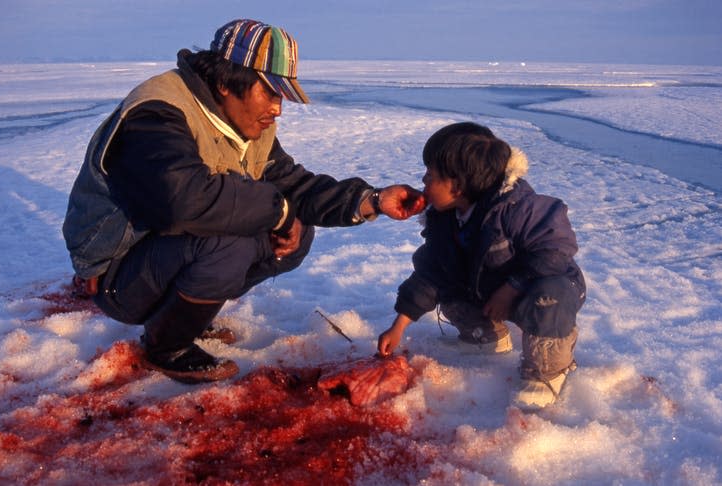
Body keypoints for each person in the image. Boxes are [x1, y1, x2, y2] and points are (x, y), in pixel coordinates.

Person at [62, 19, 424, 384]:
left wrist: (372, 201)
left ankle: (186, 316)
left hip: (163, 257)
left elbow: (291, 185)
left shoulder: (245, 125)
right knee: (229, 241)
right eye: (270, 92)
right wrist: (277, 211)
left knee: (295, 228)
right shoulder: (158, 114)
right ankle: (165, 345)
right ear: (225, 82)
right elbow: (183, 202)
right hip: (118, 274)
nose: (278, 109)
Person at [377, 122, 586, 410]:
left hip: (537, 289)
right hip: (488, 288)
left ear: (458, 186)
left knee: (551, 294)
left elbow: (556, 250)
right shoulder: (446, 219)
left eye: (431, 175)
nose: (423, 180)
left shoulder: (517, 209)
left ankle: (547, 371)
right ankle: (484, 335)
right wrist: (399, 325)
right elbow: (430, 274)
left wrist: (512, 287)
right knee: (448, 282)